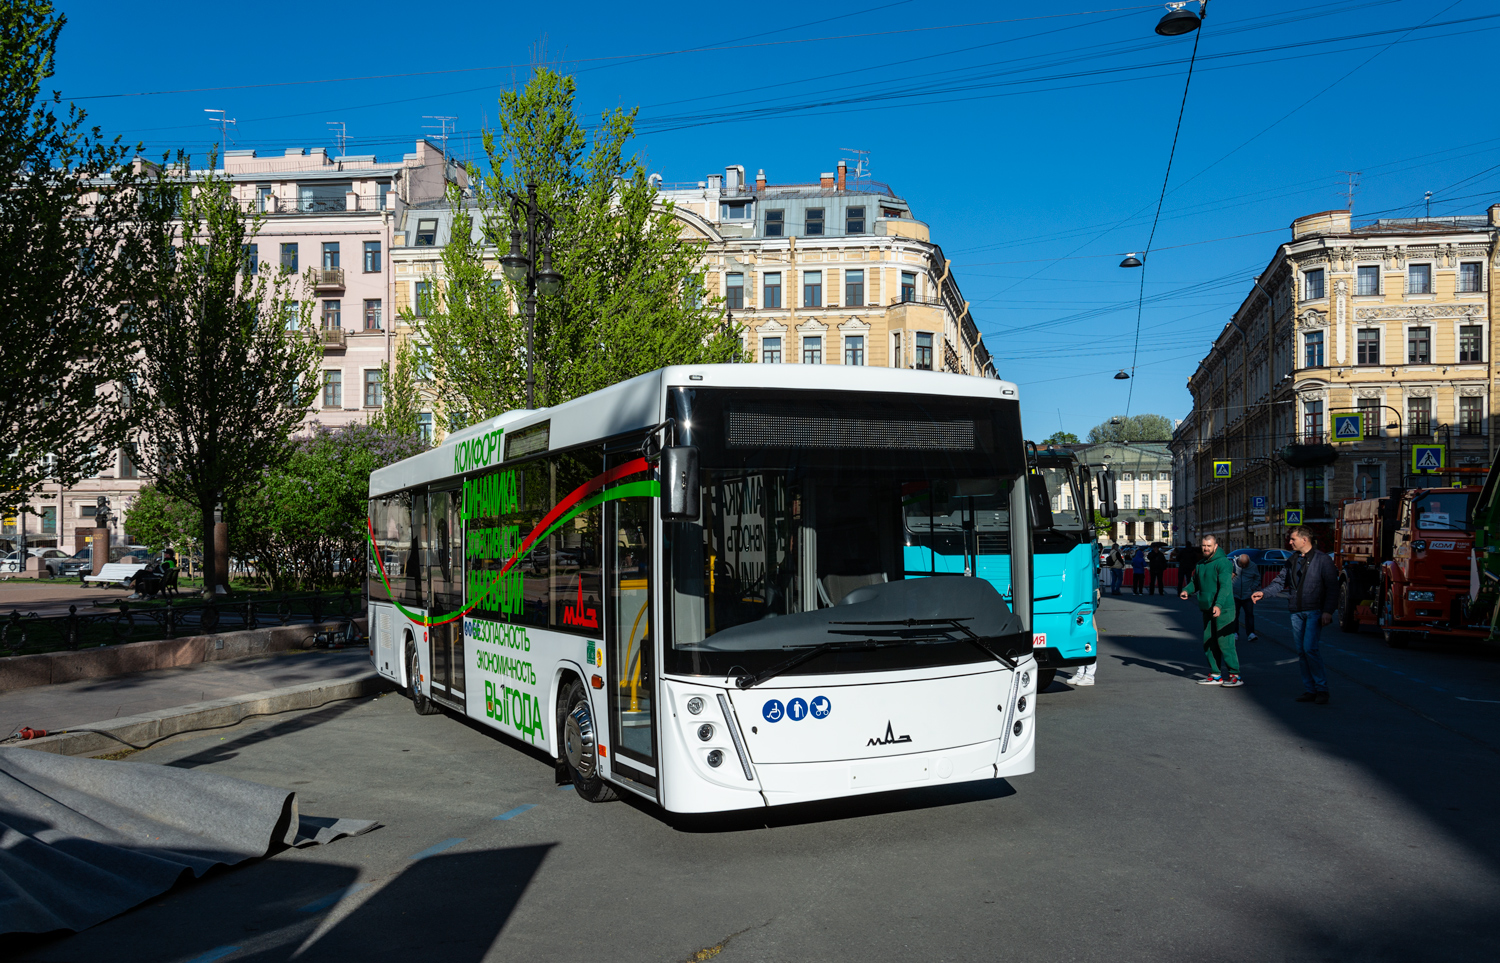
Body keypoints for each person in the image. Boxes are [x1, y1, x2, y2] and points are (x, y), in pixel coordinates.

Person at [1253, 527, 1337, 704]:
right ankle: (1310, 690)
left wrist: (1328, 611)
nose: (1289, 542)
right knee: (1301, 651)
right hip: (1296, 611)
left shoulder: (1323, 560)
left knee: (1310, 649)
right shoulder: (1292, 559)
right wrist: (1263, 593)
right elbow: (1279, 582)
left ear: (1304, 540)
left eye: (1292, 539)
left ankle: (1322, 689)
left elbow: (1332, 588)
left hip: (1314, 610)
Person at [1180, 534, 1241, 687]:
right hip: (1207, 608)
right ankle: (1215, 674)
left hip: (1224, 609)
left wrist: (1219, 605)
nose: (1206, 548)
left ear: (1216, 546)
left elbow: (1225, 586)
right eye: (1203, 545)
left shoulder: (1223, 563)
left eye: (1209, 546)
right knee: (1209, 642)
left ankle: (1235, 675)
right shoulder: (1200, 564)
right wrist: (1187, 590)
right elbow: (1195, 582)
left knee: (1225, 643)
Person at [1231, 553, 1259, 642]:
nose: (1243, 566)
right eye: (1241, 564)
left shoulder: (1253, 566)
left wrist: (1253, 587)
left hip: (1247, 594)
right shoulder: (1232, 564)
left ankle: (1250, 633)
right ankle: (1234, 632)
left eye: (1245, 565)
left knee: (1249, 614)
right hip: (1235, 594)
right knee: (1234, 615)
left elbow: (1257, 578)